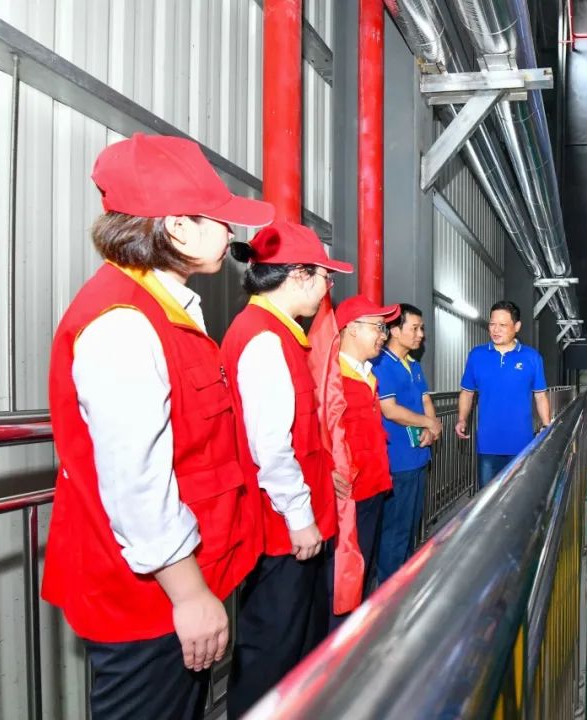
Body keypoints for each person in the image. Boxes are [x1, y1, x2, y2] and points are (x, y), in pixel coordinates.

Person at [43, 133, 274, 719]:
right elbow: (137, 483)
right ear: (176, 227)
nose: (230, 231)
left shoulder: (160, 307)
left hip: (171, 587)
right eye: (218, 218)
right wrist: (190, 593)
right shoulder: (123, 322)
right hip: (150, 599)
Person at [220, 221, 353, 717]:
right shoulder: (263, 338)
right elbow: (271, 445)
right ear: (299, 275)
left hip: (294, 524)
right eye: (324, 277)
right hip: (281, 530)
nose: (327, 288)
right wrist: (299, 517)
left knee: (297, 642)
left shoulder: (276, 333)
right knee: (273, 649)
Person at [334, 295, 401, 604]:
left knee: (367, 569)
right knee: (346, 577)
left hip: (374, 487)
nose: (383, 335)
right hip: (350, 496)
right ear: (352, 328)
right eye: (378, 327)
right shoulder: (331, 376)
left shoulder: (367, 374)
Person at [372, 304, 442, 583]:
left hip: (418, 458)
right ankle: (389, 590)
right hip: (397, 461)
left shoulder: (413, 364)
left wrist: (432, 428)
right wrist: (428, 423)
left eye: (421, 328)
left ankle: (406, 583)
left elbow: (425, 399)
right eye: (415, 328)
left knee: (412, 526)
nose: (421, 334)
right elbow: (389, 410)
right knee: (395, 531)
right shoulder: (381, 364)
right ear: (394, 330)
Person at [456, 300, 551, 488]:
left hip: (521, 443)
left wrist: (547, 426)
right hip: (487, 443)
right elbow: (467, 392)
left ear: (517, 327)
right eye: (492, 324)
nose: (495, 330)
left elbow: (540, 395)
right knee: (487, 497)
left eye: (502, 325)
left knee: (518, 495)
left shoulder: (532, 357)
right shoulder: (477, 355)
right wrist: (462, 419)